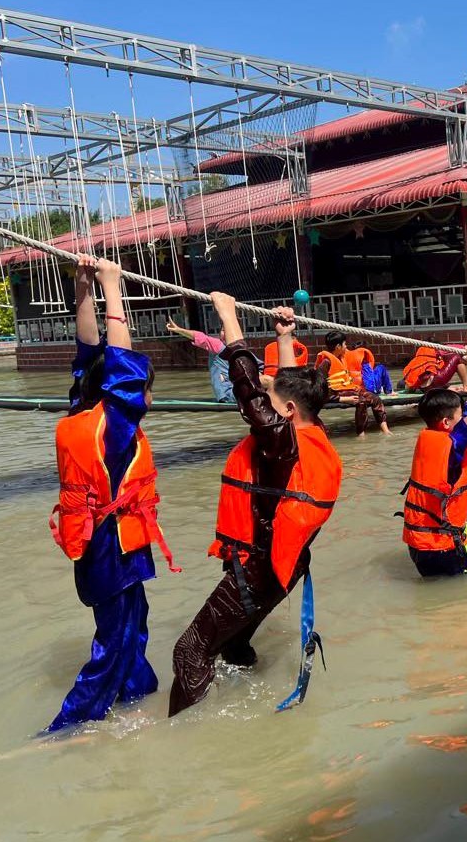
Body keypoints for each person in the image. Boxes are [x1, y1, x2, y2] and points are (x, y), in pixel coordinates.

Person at [169, 294, 342, 716]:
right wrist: (286, 336)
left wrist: (228, 318)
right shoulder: (309, 431)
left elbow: (247, 388)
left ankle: (178, 736)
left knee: (189, 650)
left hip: (261, 567)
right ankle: (246, 714)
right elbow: (284, 388)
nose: (264, 396)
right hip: (281, 566)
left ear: (286, 410)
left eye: (272, 397)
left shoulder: (282, 444)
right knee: (233, 644)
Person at [47, 255, 176, 733]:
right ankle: (70, 727)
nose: (148, 398)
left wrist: (84, 288)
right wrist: (114, 288)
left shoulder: (82, 408)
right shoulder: (112, 428)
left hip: (103, 544)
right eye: (145, 391)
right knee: (115, 639)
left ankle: (136, 696)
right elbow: (119, 365)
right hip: (111, 547)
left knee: (132, 624)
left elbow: (90, 358)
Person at [401, 347, 467, 577]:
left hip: (418, 542)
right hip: (442, 544)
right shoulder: (453, 444)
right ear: (445, 422)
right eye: (459, 416)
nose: (464, 419)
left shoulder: (428, 438)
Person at [317, 331, 392, 436]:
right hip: (335, 394)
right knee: (360, 401)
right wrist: (343, 399)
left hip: (348, 391)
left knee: (375, 399)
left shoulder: (341, 359)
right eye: (344, 344)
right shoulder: (326, 362)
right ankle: (361, 433)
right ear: (338, 346)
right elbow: (320, 388)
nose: (346, 347)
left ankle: (385, 430)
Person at [166, 318, 234, 403]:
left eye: (228, 331)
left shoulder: (239, 350)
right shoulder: (218, 345)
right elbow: (201, 337)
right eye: (223, 330)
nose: (225, 334)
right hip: (227, 394)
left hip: (236, 391)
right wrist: (179, 330)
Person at [402, 342, 467, 392]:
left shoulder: (416, 360)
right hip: (435, 381)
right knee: (457, 357)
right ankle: (466, 386)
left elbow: (411, 385)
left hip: (424, 388)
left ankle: (444, 386)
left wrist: (446, 387)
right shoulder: (440, 350)